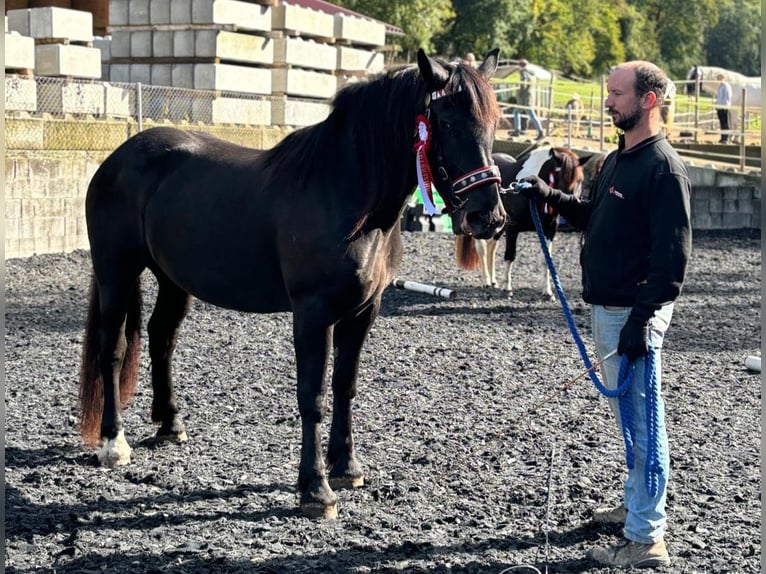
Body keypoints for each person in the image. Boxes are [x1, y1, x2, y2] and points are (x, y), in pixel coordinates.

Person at [517, 61, 692, 568]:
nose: (607, 101)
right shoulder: (618, 159)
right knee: (631, 420)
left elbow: (673, 260)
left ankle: (646, 538)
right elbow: (593, 215)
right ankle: (638, 505)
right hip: (608, 310)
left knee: (644, 421)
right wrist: (548, 197)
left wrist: (642, 321)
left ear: (648, 101)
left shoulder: (664, 169)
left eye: (616, 94)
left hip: (632, 316)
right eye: (607, 92)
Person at [512, 59, 544, 139]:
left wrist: (519, 94)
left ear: (521, 66)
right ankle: (518, 130)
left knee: (530, 115)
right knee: (517, 112)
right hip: (530, 96)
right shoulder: (532, 73)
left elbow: (524, 84)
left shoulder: (524, 73)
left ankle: (540, 132)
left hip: (524, 98)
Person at [715, 73, 732, 143]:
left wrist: (725, 105)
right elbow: (719, 97)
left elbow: (727, 97)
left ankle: (726, 137)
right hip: (719, 107)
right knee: (722, 122)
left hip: (724, 107)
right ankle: (723, 137)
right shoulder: (720, 86)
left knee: (725, 122)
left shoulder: (726, 86)